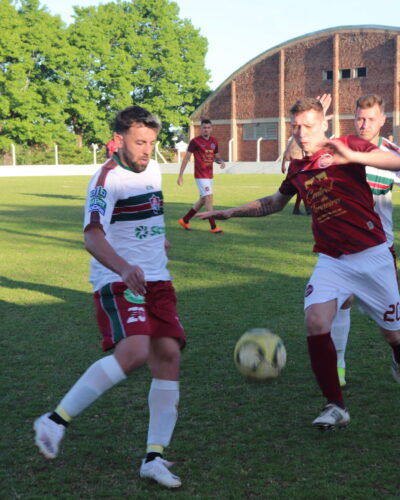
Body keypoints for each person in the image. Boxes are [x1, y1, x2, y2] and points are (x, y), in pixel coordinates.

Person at [197, 97, 400, 430]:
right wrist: (231, 211)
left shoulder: (346, 144)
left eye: (308, 125)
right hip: (332, 260)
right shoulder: (297, 168)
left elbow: (391, 160)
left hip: (372, 255)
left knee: (393, 335)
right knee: (315, 322)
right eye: (296, 127)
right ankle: (335, 405)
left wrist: (353, 156)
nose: (302, 132)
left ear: (324, 124)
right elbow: (274, 203)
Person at [33, 106, 185, 489]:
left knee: (168, 356)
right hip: (118, 279)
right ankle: (54, 421)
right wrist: (123, 268)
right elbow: (92, 237)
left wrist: (156, 239)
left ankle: (154, 457)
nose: (147, 150)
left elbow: (147, 215)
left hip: (158, 279)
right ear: (119, 140)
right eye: (139, 142)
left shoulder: (152, 168)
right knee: (134, 352)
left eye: (152, 142)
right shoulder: (104, 181)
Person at [331, 94, 400, 387]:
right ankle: (338, 365)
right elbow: (299, 155)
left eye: (371, 119)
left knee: (391, 329)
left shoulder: (391, 154)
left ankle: (396, 355)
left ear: (383, 120)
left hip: (381, 248)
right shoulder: (340, 148)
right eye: (359, 118)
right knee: (341, 301)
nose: (364, 124)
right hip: (343, 244)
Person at [177, 119, 226, 233]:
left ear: (211, 129)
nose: (206, 130)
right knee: (209, 197)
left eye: (208, 127)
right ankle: (213, 227)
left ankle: (185, 220)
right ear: (201, 128)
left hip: (209, 176)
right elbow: (187, 158)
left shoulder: (214, 141)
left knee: (203, 200)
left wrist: (221, 161)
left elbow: (216, 156)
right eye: (204, 127)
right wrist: (180, 175)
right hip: (200, 175)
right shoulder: (195, 141)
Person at [281, 137, 311, 215]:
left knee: (300, 189)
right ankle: (307, 209)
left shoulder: (292, 140)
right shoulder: (298, 138)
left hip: (295, 166)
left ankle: (296, 209)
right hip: (297, 166)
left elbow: (286, 153)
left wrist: (283, 165)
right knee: (302, 188)